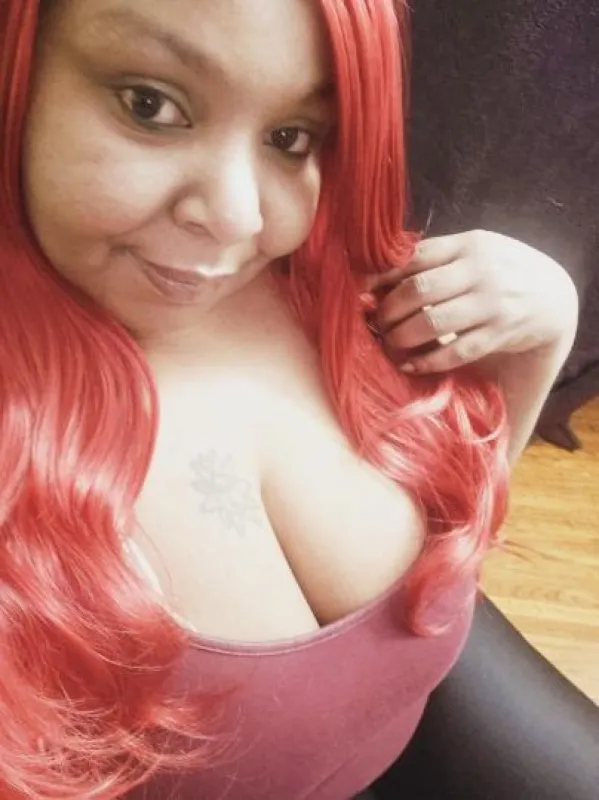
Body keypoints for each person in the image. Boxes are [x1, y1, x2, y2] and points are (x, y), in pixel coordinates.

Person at [0, 1, 584, 798]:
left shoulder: (337, 288)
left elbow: (461, 536)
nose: (237, 218)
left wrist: (541, 333)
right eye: (150, 104)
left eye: (290, 136)